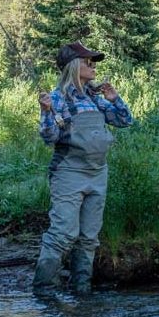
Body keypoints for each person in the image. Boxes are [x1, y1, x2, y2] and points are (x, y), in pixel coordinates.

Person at [34, 41, 133, 297]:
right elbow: (50, 137)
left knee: (89, 238)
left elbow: (124, 120)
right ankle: (44, 289)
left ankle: (82, 289)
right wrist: (46, 112)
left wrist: (114, 98)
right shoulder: (57, 98)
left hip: (98, 173)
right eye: (88, 62)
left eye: (93, 62)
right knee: (63, 233)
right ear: (73, 66)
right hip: (68, 173)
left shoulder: (95, 98)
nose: (93, 66)